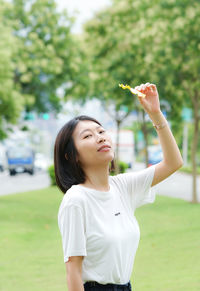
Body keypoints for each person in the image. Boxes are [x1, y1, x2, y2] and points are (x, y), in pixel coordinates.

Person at [54, 82, 183, 291]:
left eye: (101, 131)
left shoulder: (122, 187)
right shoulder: (76, 200)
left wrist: (155, 113)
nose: (100, 137)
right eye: (87, 136)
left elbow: (173, 163)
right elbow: (73, 272)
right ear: (72, 156)